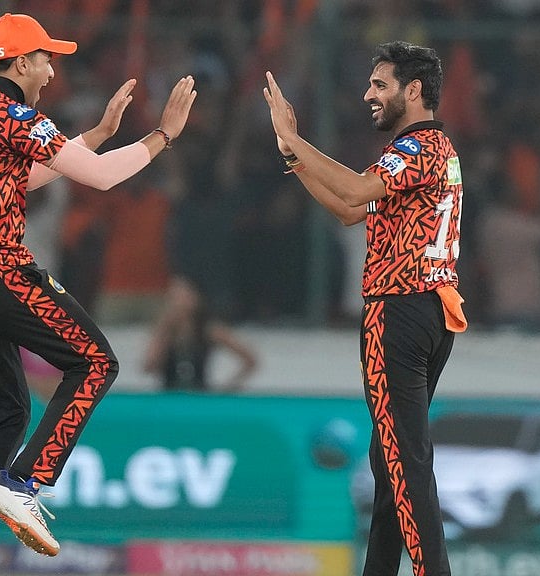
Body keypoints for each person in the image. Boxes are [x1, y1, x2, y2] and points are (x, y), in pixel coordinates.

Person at [0, 13, 196, 576]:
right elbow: (98, 179)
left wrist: (92, 136)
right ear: (21, 62)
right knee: (96, 361)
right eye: (46, 59)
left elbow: (16, 181)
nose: (50, 70)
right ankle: (26, 481)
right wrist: (163, 136)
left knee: (8, 412)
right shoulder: (13, 112)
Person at [264, 42, 467, 576]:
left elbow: (353, 191)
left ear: (413, 89)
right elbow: (350, 211)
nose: (367, 95)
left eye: (380, 84)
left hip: (397, 313)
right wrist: (294, 156)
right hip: (431, 315)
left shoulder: (415, 148)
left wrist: (293, 138)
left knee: (404, 462)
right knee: (390, 460)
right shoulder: (433, 149)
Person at [142, 276, 257, 392]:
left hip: (200, 396)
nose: (178, 303)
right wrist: (164, 334)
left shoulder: (209, 329)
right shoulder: (165, 330)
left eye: (183, 296)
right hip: (169, 396)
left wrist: (228, 386)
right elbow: (149, 367)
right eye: (173, 298)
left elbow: (250, 360)